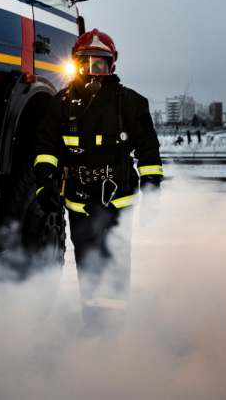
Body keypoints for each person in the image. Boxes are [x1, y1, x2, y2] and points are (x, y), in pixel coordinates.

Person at [33, 29, 163, 336]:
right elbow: (46, 145)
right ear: (76, 64)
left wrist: (153, 190)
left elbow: (148, 149)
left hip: (118, 200)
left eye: (100, 65)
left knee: (116, 258)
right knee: (87, 259)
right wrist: (43, 182)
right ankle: (92, 322)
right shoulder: (61, 104)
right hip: (78, 200)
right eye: (86, 64)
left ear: (112, 66)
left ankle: (113, 327)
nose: (93, 71)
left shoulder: (131, 103)